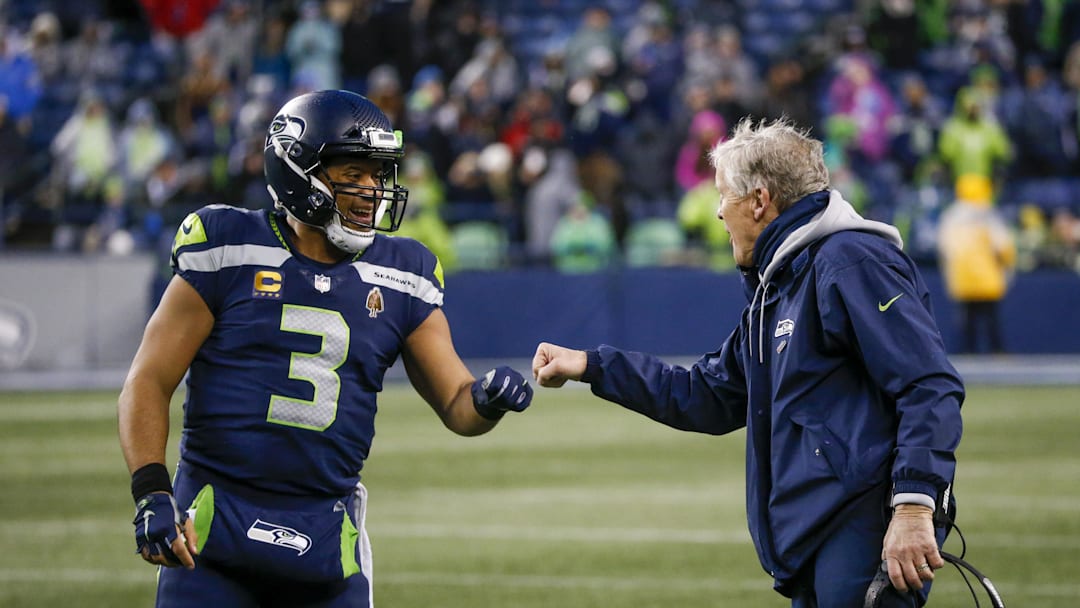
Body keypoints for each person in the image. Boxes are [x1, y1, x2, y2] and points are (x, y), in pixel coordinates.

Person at [118, 89, 533, 608]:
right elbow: (148, 380)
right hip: (211, 528)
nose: (372, 192)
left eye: (378, 176)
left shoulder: (404, 272)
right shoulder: (227, 246)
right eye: (353, 175)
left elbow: (458, 404)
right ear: (297, 169)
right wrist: (152, 491)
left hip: (326, 539)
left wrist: (488, 399)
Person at [532, 118, 964, 607]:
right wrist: (592, 365)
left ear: (759, 201)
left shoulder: (851, 262)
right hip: (818, 531)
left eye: (723, 197)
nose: (718, 213)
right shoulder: (780, 287)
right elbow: (707, 396)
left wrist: (911, 507)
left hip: (863, 522)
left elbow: (929, 385)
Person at [937, 174, 1016, 353]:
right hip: (988, 276)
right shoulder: (988, 213)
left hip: (962, 277)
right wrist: (1008, 266)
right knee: (991, 320)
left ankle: (966, 356)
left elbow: (944, 248)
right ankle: (998, 354)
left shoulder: (950, 215)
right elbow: (1003, 245)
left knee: (966, 321)